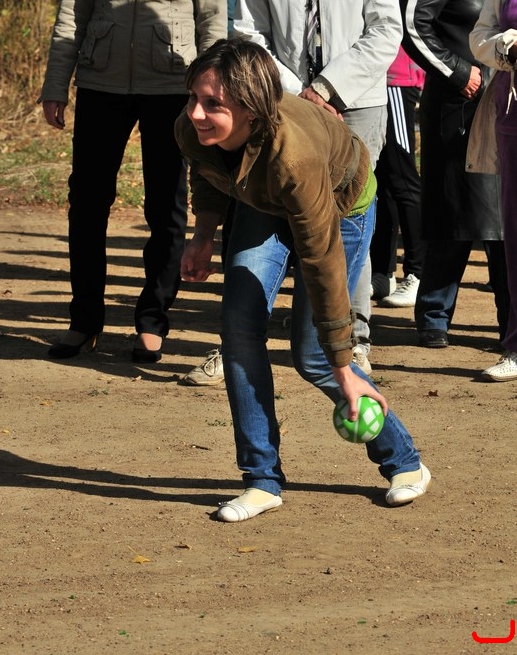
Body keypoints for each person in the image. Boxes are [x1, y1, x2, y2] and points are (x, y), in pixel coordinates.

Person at [175, 37, 431, 522]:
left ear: (251, 108)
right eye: (193, 97)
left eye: (212, 104)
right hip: (264, 199)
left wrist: (342, 368)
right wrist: (203, 235)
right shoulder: (192, 128)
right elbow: (205, 173)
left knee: (314, 356)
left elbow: (321, 262)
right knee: (238, 328)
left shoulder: (296, 158)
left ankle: (405, 462)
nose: (195, 113)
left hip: (339, 202)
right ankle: (261, 481)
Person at [39, 0, 227, 362]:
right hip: (101, 81)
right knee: (87, 203)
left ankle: (152, 319)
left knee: (165, 208)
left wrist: (211, 98)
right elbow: (74, 4)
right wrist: (56, 84)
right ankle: (84, 321)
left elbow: (213, 20)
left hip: (172, 87)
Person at [234, 0, 403, 376]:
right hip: (286, 106)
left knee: (350, 218)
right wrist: (297, 93)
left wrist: (329, 88)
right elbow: (248, 34)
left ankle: (354, 335)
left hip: (356, 106)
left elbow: (385, 31)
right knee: (288, 209)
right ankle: (285, 328)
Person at [400, 0, 514, 350]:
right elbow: (412, 24)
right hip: (458, 110)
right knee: (453, 214)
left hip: (500, 108)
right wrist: (456, 71)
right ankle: (433, 314)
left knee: (502, 219)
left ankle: (509, 323)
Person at [184, 0, 287, 388]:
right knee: (244, 268)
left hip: (299, 112)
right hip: (246, 90)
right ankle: (233, 343)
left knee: (315, 350)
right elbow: (235, 29)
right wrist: (203, 235)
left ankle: (345, 348)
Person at [351, 0, 429, 309]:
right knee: (375, 175)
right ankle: (381, 271)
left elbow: (414, 5)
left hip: (397, 71)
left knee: (401, 172)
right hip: (368, 69)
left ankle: (418, 271)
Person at [469, 0, 517, 381]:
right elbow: (479, 36)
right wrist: (506, 46)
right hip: (512, 114)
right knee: (515, 233)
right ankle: (516, 346)